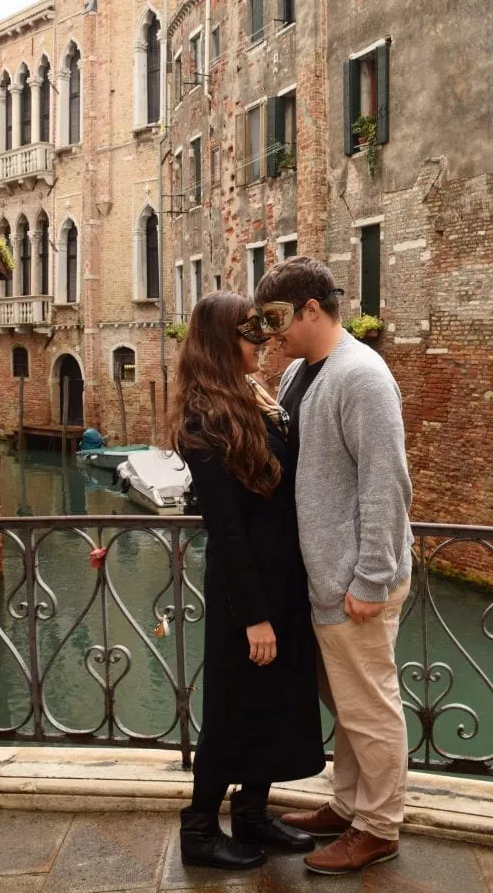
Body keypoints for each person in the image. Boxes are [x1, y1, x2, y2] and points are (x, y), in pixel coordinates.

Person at [255, 257, 414, 876]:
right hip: (324, 581)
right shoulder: (298, 371)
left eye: (277, 320)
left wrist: (371, 580)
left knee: (370, 708)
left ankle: (378, 826)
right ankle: (349, 804)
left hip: (356, 582)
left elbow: (386, 483)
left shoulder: (362, 377)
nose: (272, 334)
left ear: (311, 310)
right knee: (348, 704)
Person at [170, 291, 324, 870]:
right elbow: (226, 530)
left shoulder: (252, 393)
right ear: (218, 340)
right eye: (249, 333)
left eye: (261, 331)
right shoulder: (202, 416)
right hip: (247, 584)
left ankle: (253, 815)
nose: (261, 341)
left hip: (282, 574)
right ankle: (200, 830)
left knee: (270, 700)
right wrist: (254, 615)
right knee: (233, 707)